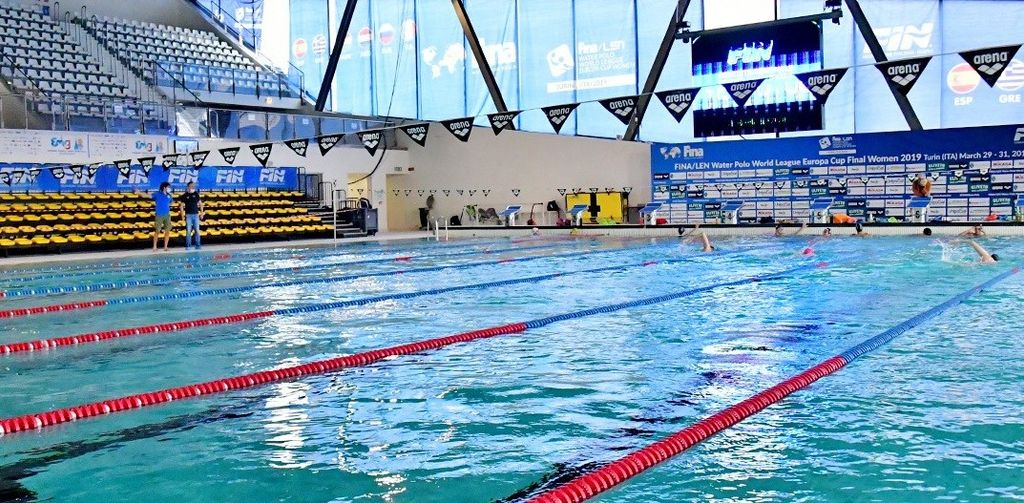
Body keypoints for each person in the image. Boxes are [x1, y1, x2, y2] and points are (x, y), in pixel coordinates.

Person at [136, 182, 173, 252]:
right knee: (157, 231)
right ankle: (154, 246)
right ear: (164, 188)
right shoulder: (157, 194)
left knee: (167, 231)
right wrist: (139, 193)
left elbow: (171, 202)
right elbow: (147, 196)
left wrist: (167, 206)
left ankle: (165, 247)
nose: (169, 188)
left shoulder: (169, 195)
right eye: (168, 187)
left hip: (167, 215)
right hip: (159, 215)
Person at [179, 181, 204, 250]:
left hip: (196, 215)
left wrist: (202, 213)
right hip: (188, 215)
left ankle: (198, 245)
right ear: (188, 187)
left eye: (193, 186)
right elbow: (181, 206)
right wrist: (182, 215)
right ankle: (188, 245)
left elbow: (201, 204)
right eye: (191, 186)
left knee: (197, 230)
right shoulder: (184, 195)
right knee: (188, 231)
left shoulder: (196, 194)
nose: (193, 187)